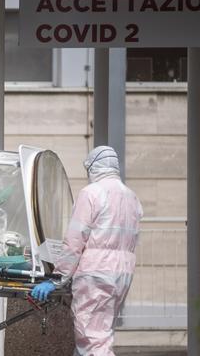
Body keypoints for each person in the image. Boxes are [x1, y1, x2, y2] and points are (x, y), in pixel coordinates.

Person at [30, 146, 143, 356]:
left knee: (91, 338)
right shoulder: (132, 197)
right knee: (101, 334)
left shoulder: (92, 193)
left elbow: (75, 241)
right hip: (122, 274)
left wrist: (56, 278)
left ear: (93, 167)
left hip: (95, 274)